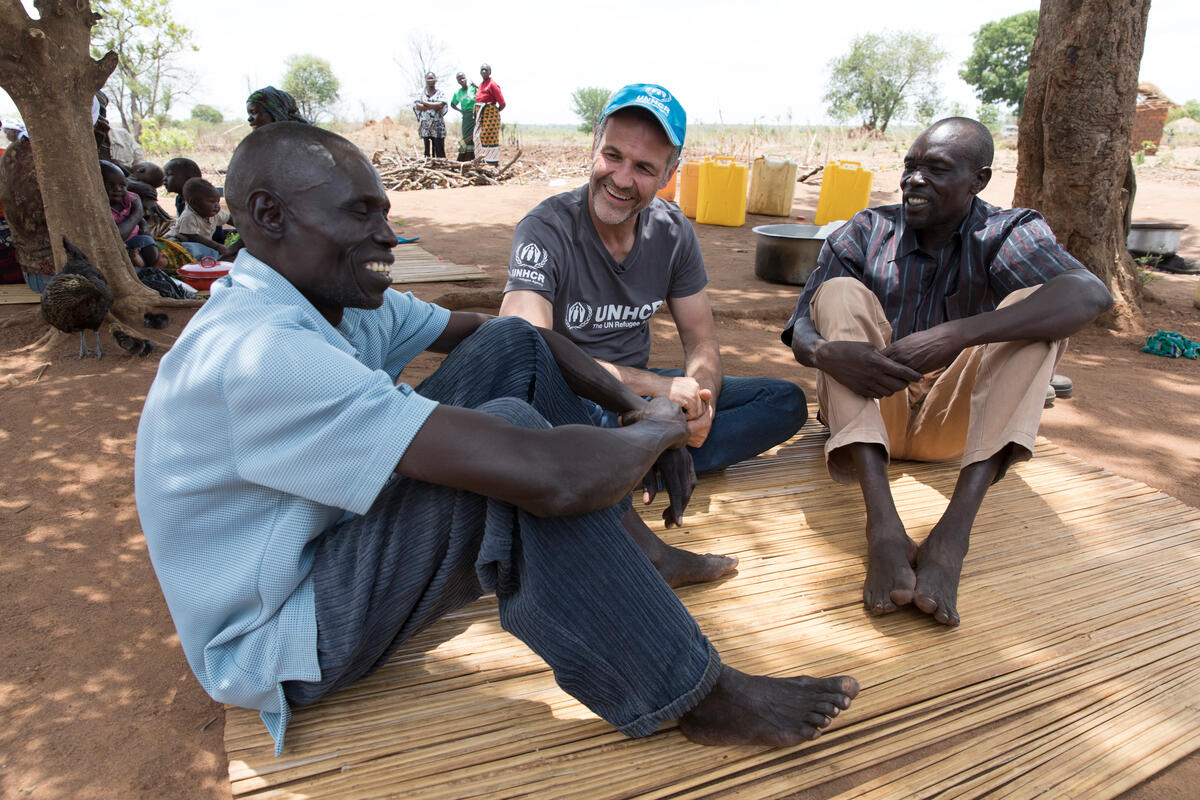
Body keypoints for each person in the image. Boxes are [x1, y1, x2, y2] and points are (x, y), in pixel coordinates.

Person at [134, 122, 860, 758]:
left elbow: (512, 335)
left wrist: (630, 408)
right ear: (268, 215)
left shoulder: (330, 302)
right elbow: (549, 475)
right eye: (361, 213)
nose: (387, 235)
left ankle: (637, 547)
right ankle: (697, 695)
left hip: (318, 546)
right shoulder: (260, 353)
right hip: (276, 639)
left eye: (385, 212)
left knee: (514, 349)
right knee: (513, 449)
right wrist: (666, 428)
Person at [781, 117, 1114, 627]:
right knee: (838, 292)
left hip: (951, 426)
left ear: (978, 180)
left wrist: (957, 334)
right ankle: (884, 529)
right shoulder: (866, 229)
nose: (914, 180)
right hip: (871, 408)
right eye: (911, 167)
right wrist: (825, 353)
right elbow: (801, 324)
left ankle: (951, 538)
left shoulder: (1008, 231)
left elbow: (1089, 294)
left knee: (1038, 309)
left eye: (936, 169)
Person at [500, 83, 808, 478]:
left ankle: (623, 466)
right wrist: (657, 390)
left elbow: (701, 341)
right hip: (570, 399)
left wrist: (702, 405)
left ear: (669, 173)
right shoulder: (544, 230)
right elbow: (526, 352)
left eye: (644, 168)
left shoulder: (672, 231)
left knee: (783, 401)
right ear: (595, 145)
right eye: (613, 156)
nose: (622, 179)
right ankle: (642, 459)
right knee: (540, 423)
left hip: (639, 406)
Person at [101, 159, 159, 269]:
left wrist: (144, 227)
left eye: (122, 185)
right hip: (119, 245)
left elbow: (140, 218)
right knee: (122, 254)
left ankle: (150, 264)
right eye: (110, 186)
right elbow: (113, 237)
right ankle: (137, 261)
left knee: (148, 244)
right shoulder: (101, 207)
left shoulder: (129, 199)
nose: (117, 189)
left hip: (134, 238)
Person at [166, 177, 235, 261]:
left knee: (205, 251)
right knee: (206, 251)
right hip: (176, 245)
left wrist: (245, 226)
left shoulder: (213, 212)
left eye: (218, 201)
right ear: (194, 203)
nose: (217, 205)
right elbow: (194, 237)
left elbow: (231, 219)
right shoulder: (188, 216)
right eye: (212, 201)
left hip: (198, 247)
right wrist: (218, 247)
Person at [473, 63, 505, 166]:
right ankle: (481, 161)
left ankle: (492, 163)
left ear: (490, 72)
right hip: (480, 115)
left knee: (489, 138)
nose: (483, 71)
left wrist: (493, 112)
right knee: (478, 137)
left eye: (486, 70)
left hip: (490, 115)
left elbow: (502, 104)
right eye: (482, 70)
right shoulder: (481, 85)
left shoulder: (492, 84)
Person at [412, 72, 448, 159]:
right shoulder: (420, 92)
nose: (430, 80)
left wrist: (425, 103)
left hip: (438, 127)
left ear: (436, 80)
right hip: (425, 127)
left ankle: (441, 168)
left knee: (439, 151)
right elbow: (418, 106)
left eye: (432, 78)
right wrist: (433, 105)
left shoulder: (440, 93)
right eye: (428, 78)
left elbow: (440, 105)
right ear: (425, 80)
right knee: (427, 152)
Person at [449, 71, 476, 162]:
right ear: (458, 81)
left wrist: (477, 86)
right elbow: (452, 104)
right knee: (466, 137)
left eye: (463, 77)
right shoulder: (457, 93)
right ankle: (463, 159)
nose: (462, 80)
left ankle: (470, 158)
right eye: (459, 79)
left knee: (473, 136)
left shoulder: (473, 89)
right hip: (465, 117)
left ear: (466, 78)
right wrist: (460, 111)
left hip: (474, 115)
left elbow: (482, 94)